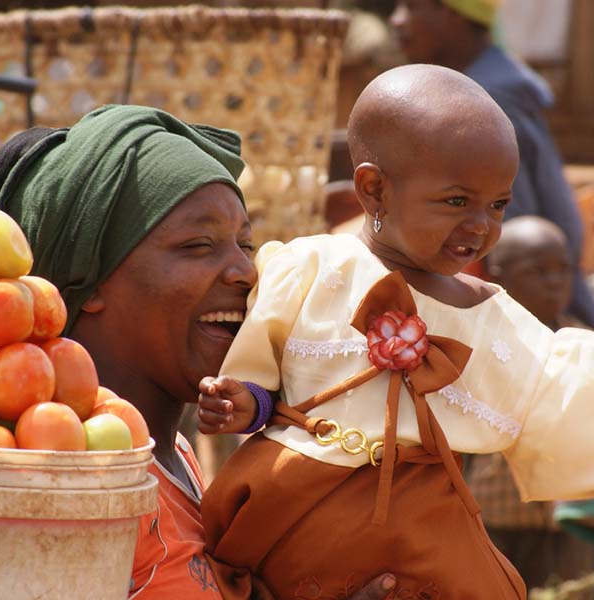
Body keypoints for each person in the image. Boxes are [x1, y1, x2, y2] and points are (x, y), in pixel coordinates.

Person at [197, 64, 594, 600]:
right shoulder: (314, 267)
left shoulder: (494, 320)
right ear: (374, 189)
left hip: (420, 528)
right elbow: (264, 378)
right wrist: (246, 403)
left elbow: (564, 395)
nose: (481, 224)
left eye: (497, 204)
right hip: (290, 503)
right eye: (457, 201)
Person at [0, 105, 398, 600]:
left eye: (244, 246)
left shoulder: (175, 457)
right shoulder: (62, 478)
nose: (244, 273)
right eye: (198, 245)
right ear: (91, 280)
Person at [389, 0, 594, 328]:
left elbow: (518, 237)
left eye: (412, 6)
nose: (397, 20)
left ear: (454, 14)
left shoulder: (482, 105)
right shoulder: (481, 89)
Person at [464, 215, 594, 590]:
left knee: (570, 590)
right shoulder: (482, 343)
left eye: (563, 270)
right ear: (499, 276)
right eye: (538, 271)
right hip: (494, 514)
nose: (554, 281)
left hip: (569, 514)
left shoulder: (582, 343)